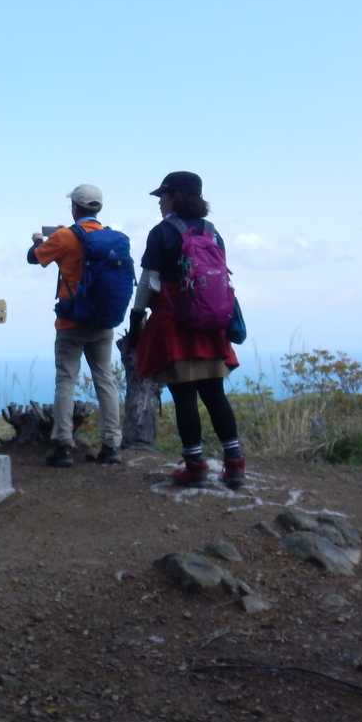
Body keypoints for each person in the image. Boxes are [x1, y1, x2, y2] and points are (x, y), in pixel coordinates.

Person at [125, 171, 245, 489]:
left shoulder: (162, 233)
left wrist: (136, 321)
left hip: (175, 323)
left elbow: (148, 282)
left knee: (184, 396)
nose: (160, 202)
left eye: (163, 196)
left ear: (175, 196)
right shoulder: (213, 232)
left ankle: (195, 466)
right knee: (215, 394)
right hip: (211, 324)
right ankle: (235, 465)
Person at [27, 183, 124, 467]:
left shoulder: (64, 237)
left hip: (71, 321)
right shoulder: (109, 237)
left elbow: (33, 258)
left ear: (74, 208)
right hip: (103, 321)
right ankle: (112, 445)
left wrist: (38, 240)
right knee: (105, 379)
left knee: (66, 380)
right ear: (98, 208)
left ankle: (63, 445)